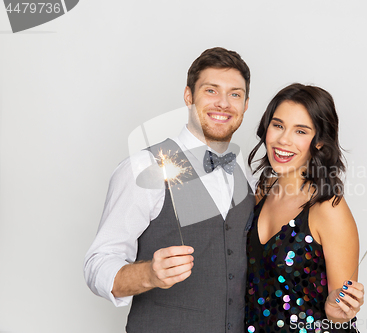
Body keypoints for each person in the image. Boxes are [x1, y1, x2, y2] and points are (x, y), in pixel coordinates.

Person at [84, 47, 256, 332]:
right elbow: (97, 264)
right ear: (188, 96)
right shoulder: (143, 167)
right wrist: (148, 274)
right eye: (211, 91)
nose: (223, 103)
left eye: (235, 94)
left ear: (246, 104)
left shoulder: (245, 172)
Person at [245, 83, 363, 332]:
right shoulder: (263, 190)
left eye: (300, 131)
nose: (283, 140)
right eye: (277, 125)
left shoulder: (329, 209)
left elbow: (341, 315)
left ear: (320, 142)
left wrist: (338, 314)